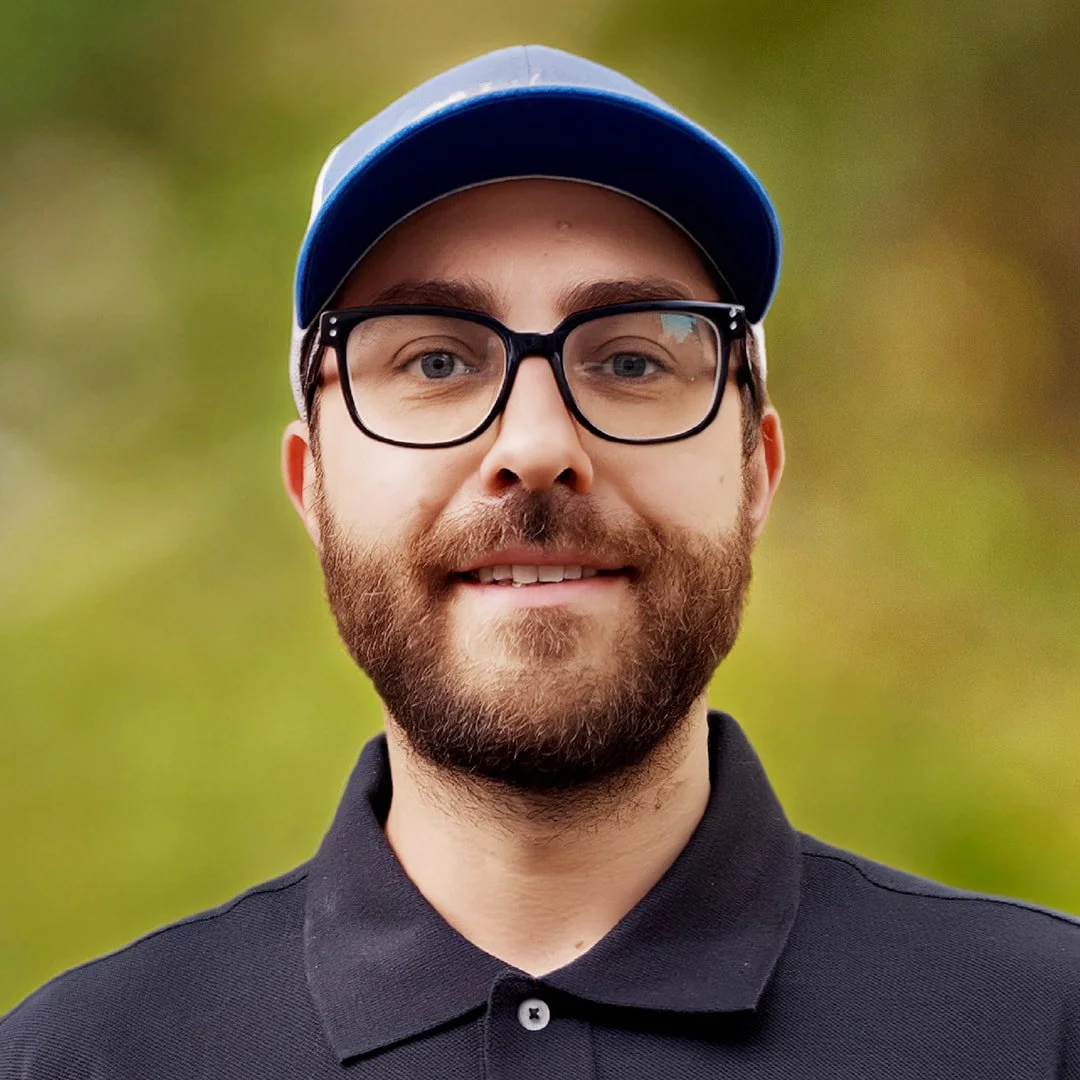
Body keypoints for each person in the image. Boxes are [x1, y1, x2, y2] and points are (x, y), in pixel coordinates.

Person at [2, 44, 1077, 1080]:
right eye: (432, 358)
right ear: (312, 488)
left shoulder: (1046, 1030)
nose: (535, 446)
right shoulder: (78, 1060)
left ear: (756, 473)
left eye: (629, 357)